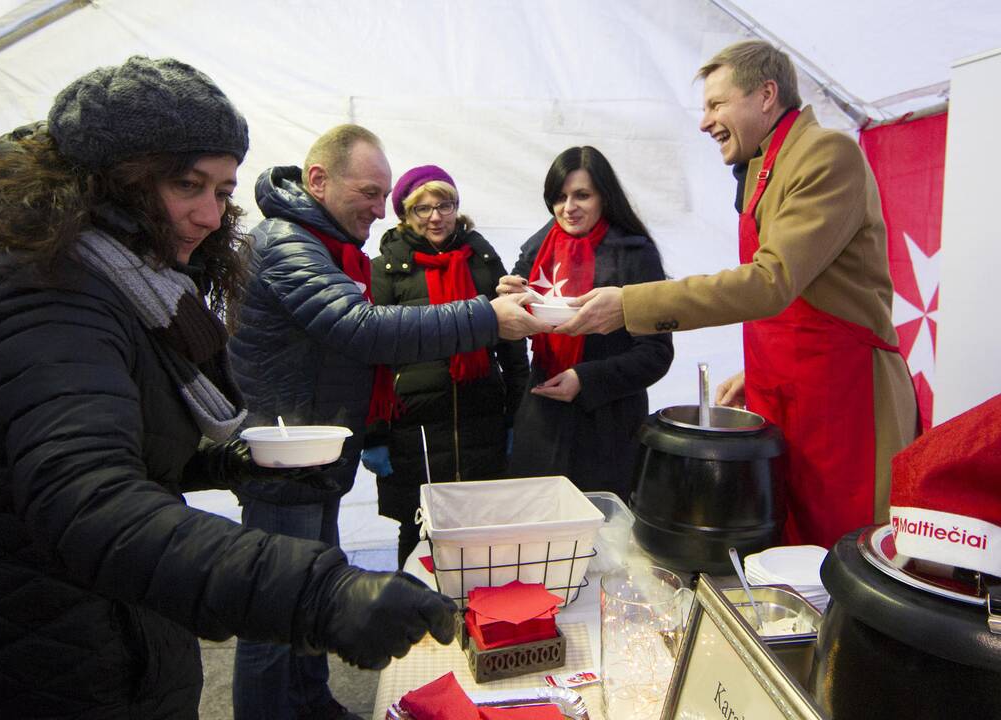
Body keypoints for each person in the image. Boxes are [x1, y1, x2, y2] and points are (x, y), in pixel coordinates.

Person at [0, 58, 457, 720]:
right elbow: (86, 503)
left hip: (116, 636)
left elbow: (121, 442)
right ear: (110, 179)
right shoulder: (45, 295)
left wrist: (232, 461)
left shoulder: (126, 284)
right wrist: (317, 594)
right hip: (39, 657)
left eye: (223, 190)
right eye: (186, 185)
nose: (210, 215)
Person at [227, 126, 547, 720]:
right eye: (373, 193)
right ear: (318, 180)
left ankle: (309, 702)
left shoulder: (324, 244)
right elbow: (362, 327)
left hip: (312, 454)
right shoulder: (289, 244)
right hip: (286, 457)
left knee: (308, 590)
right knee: (273, 610)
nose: (382, 209)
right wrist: (485, 318)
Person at [556, 40, 918, 549]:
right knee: (785, 539)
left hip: (844, 397)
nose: (704, 122)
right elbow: (812, 290)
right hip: (792, 385)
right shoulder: (768, 164)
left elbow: (772, 282)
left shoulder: (826, 155)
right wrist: (763, 369)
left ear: (766, 94)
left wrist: (630, 305)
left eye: (716, 104)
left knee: (840, 544)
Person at [366, 165, 530, 567]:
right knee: (418, 527)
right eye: (421, 209)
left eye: (444, 205)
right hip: (413, 426)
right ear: (404, 214)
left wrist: (516, 415)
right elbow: (371, 355)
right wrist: (373, 434)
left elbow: (512, 341)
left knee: (483, 530)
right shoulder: (385, 268)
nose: (435, 216)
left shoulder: (483, 260)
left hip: (481, 415)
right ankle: (412, 622)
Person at [496, 146, 673, 502]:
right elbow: (511, 324)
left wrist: (586, 379)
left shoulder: (635, 255)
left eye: (582, 195)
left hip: (606, 426)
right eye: (559, 197)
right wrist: (504, 297)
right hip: (542, 420)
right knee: (537, 535)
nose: (568, 207)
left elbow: (656, 354)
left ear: (604, 197)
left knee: (598, 542)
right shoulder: (537, 248)